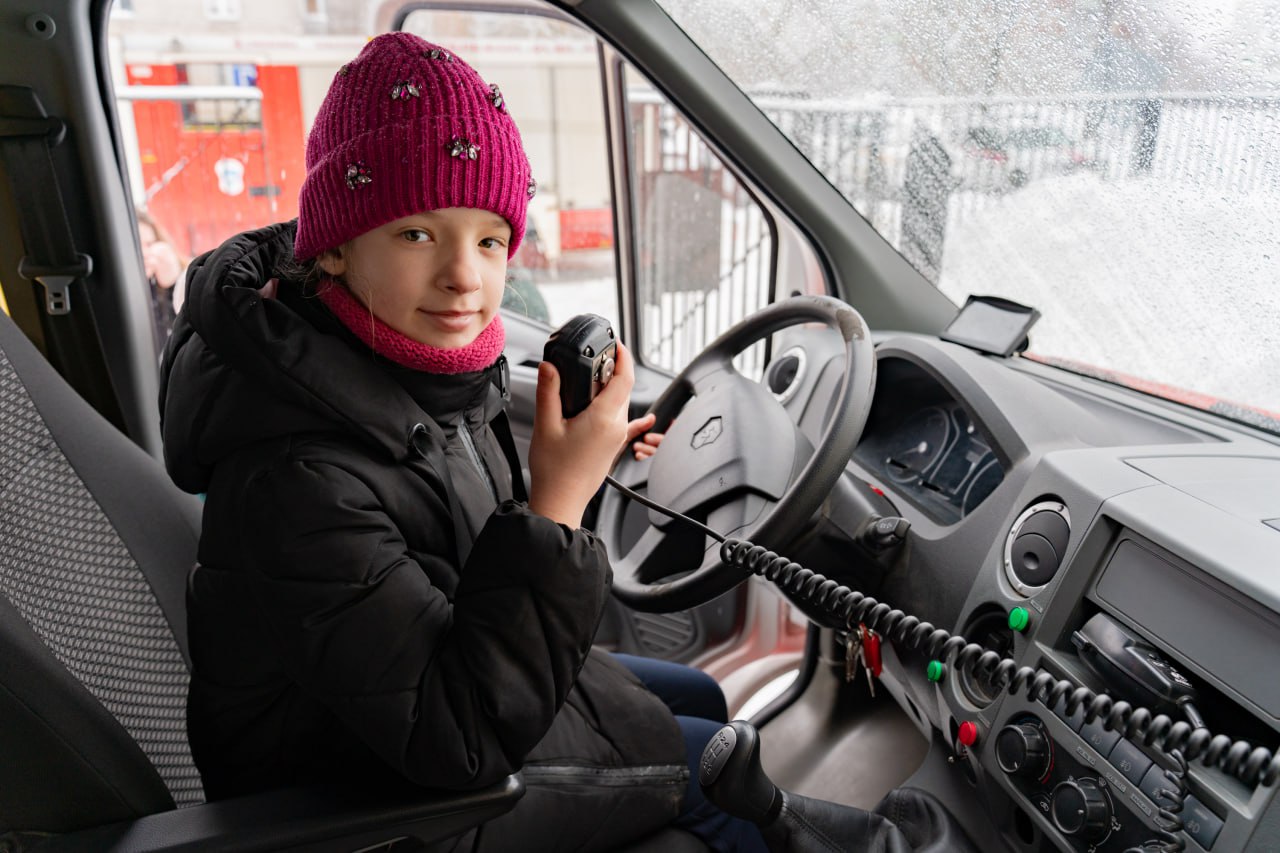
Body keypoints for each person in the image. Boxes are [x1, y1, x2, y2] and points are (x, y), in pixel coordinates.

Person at [159, 33, 764, 852]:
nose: (465, 278)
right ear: (333, 244)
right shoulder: (295, 480)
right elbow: (457, 737)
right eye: (417, 235)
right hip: (376, 803)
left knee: (702, 696)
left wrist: (587, 462)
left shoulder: (408, 366)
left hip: (417, 690)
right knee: (735, 789)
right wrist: (558, 502)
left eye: (488, 239)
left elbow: (452, 541)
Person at [136, 208, 186, 353]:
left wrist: (172, 286)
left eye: (150, 244)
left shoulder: (170, 279)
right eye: (138, 245)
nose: (145, 253)